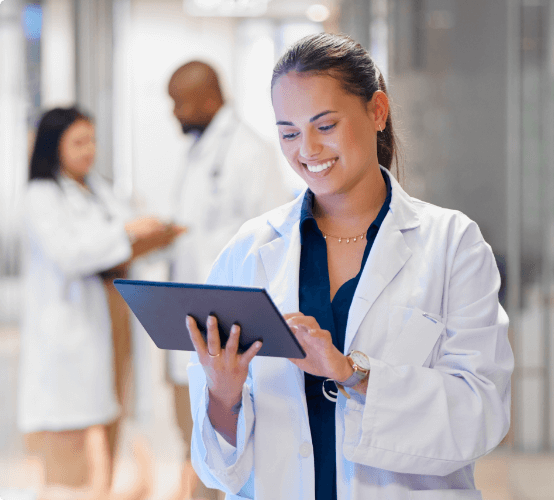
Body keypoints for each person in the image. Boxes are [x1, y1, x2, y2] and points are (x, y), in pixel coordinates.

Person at [185, 33, 514, 500]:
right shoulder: (248, 251)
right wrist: (224, 395)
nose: (308, 150)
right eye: (289, 132)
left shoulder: (452, 244)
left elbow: (481, 413)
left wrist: (352, 374)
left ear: (377, 112)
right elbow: (219, 469)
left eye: (325, 125)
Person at [18, 107, 183, 496]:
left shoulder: (97, 188)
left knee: (111, 414)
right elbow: (69, 253)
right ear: (52, 146)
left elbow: (122, 238)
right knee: (70, 431)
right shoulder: (40, 195)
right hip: (71, 325)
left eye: (91, 140)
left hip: (112, 318)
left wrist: (152, 233)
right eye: (78, 142)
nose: (88, 150)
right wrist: (127, 232)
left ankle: (101, 489)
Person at [165, 61, 294, 499]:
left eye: (179, 102)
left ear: (207, 98)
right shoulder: (200, 150)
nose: (174, 112)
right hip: (195, 322)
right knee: (197, 440)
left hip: (229, 328)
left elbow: (274, 240)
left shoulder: (248, 152)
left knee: (225, 451)